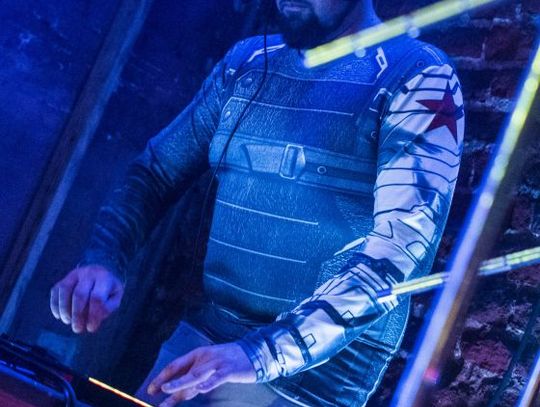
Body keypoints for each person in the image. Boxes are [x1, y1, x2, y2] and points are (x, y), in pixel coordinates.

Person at [49, 0, 465, 406]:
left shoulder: (420, 75)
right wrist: (106, 257)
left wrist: (259, 355)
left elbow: (397, 253)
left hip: (310, 383)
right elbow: (156, 171)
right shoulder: (247, 63)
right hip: (205, 343)